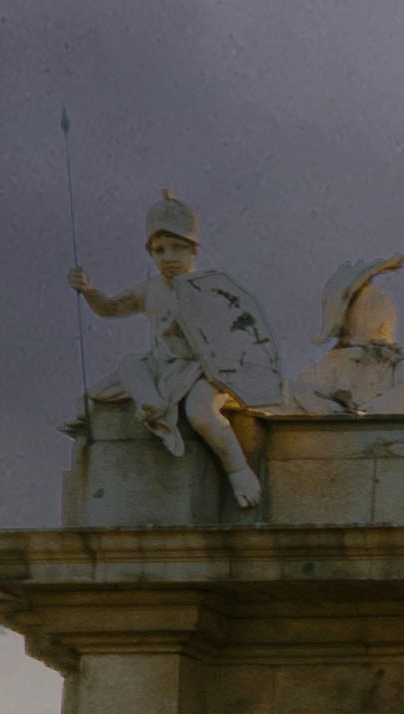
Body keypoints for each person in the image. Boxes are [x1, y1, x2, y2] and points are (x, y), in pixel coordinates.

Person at [68, 190, 284, 508]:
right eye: (159, 250)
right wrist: (88, 291)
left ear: (194, 250)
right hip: (163, 366)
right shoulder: (150, 288)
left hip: (205, 370)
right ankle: (153, 406)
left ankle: (238, 471)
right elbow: (111, 308)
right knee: (128, 365)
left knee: (201, 413)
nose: (168, 257)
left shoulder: (209, 289)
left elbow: (237, 335)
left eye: (178, 248)